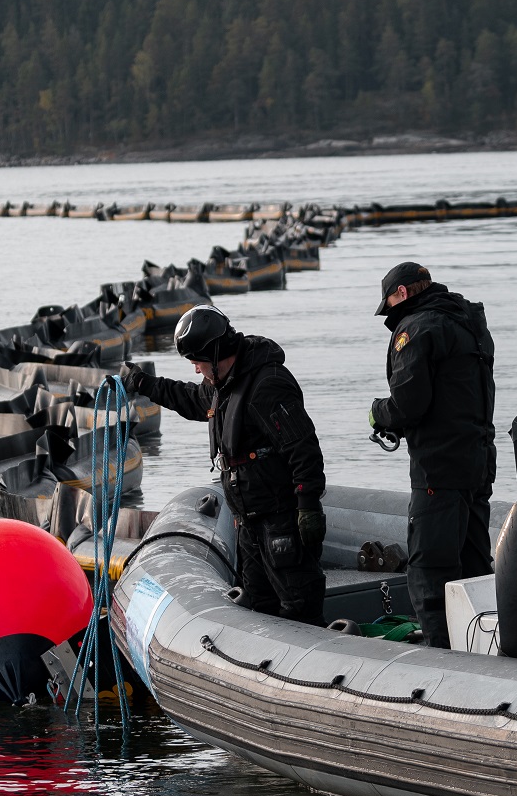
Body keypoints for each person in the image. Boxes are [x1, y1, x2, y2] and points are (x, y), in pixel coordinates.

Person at [120, 307, 327, 624]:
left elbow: (303, 448)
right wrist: (144, 383)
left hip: (280, 517)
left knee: (299, 602)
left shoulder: (267, 386)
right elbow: (189, 398)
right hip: (248, 520)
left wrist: (308, 505)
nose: (196, 370)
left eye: (197, 362)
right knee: (258, 602)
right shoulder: (223, 384)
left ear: (214, 354)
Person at [367, 262, 497, 647]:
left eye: (389, 302)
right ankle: (489, 647)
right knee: (475, 566)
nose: (389, 312)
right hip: (478, 460)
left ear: (403, 294)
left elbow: (409, 403)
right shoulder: (469, 322)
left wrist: (379, 412)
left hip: (437, 470)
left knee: (431, 569)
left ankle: (442, 659)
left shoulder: (417, 328)